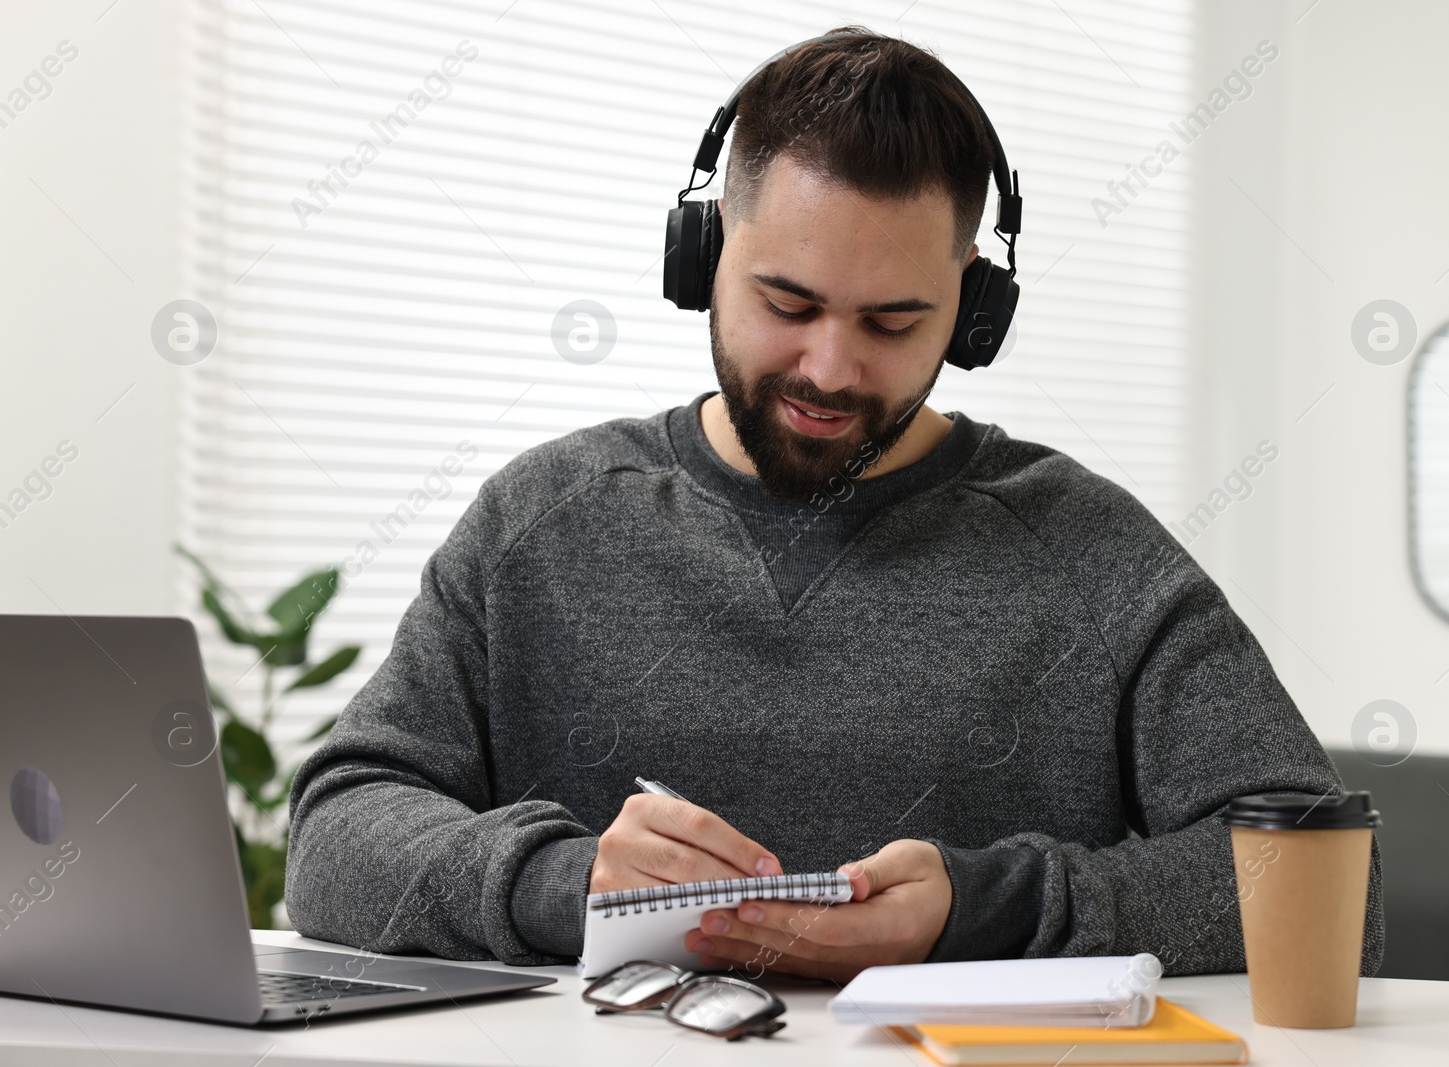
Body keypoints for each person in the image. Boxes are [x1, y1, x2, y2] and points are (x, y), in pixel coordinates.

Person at [286, 27, 1383, 982]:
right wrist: (562, 881)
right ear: (704, 257)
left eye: (893, 322)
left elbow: (1330, 880)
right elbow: (333, 836)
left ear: (971, 315)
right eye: (787, 301)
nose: (829, 366)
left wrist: (983, 907)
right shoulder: (543, 522)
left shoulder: (1086, 550)